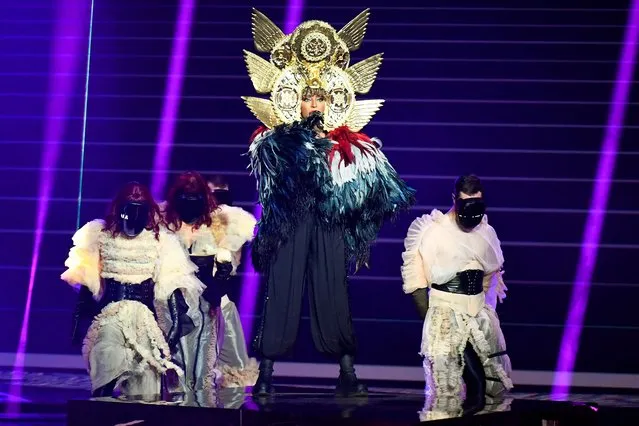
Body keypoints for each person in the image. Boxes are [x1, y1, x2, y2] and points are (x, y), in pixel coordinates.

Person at [242, 8, 416, 397]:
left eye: (321, 98)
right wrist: (299, 144)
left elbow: (373, 183)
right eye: (308, 98)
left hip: (328, 222)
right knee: (281, 288)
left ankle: (347, 371)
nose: (315, 104)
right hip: (291, 221)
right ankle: (266, 372)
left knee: (332, 289)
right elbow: (268, 167)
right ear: (295, 102)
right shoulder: (275, 139)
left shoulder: (349, 145)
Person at [61, 182, 203, 400]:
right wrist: (78, 321)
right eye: (130, 207)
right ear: (120, 208)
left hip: (144, 320)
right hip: (111, 316)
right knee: (106, 361)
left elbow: (172, 284)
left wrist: (174, 329)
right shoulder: (100, 234)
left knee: (146, 386)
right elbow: (88, 284)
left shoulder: (161, 241)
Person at [400, 175, 512, 414]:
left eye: (477, 202)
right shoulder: (433, 230)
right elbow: (416, 278)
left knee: (493, 381)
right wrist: (430, 319)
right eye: (465, 202)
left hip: (479, 311)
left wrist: (486, 311)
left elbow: (491, 277)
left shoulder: (487, 232)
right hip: (446, 311)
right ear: (454, 199)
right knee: (465, 383)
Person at [161, 171, 258, 394]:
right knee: (178, 365)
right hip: (176, 303)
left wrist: (220, 272)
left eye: (221, 194)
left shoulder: (228, 223)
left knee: (224, 369)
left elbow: (229, 263)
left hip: (214, 301)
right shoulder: (169, 222)